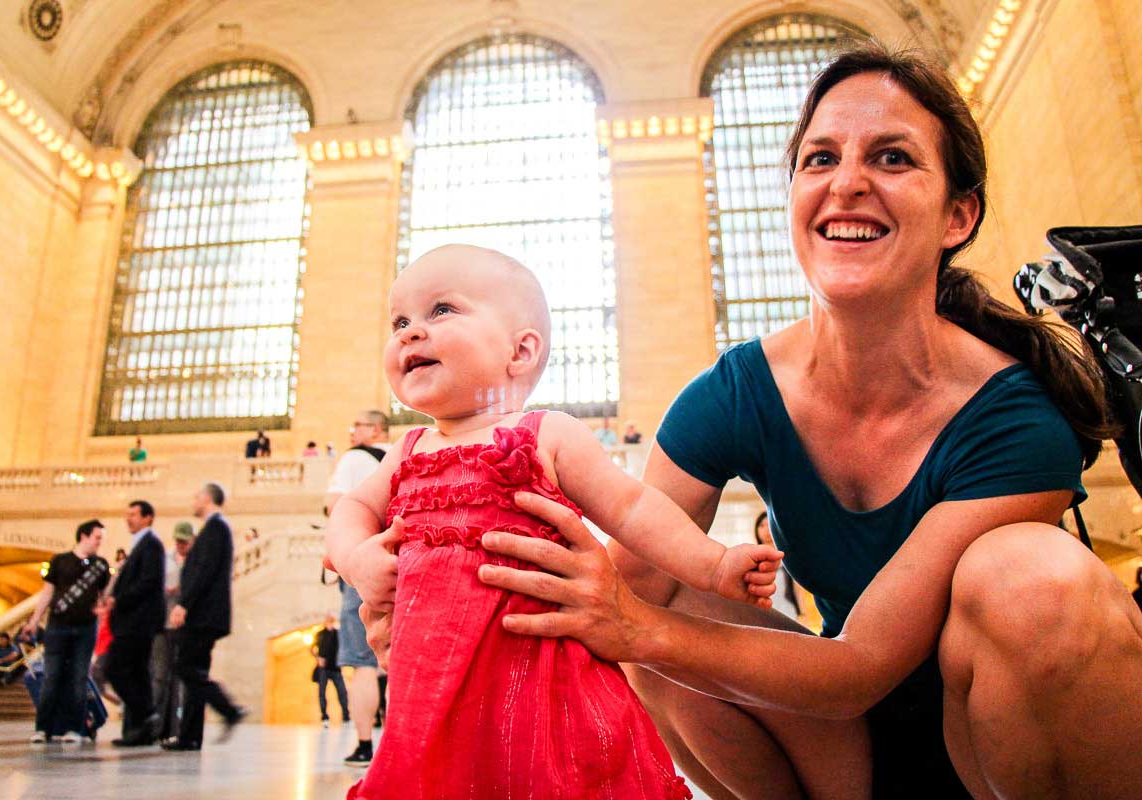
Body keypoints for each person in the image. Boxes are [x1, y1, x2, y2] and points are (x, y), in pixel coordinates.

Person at [464, 45, 1142, 800]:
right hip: (836, 750)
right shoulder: (732, 392)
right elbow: (609, 597)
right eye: (820, 159)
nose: (848, 184)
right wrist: (448, 612)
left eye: (891, 158)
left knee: (1033, 578)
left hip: (986, 739)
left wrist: (635, 628)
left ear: (959, 215)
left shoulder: (1015, 415)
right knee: (648, 592)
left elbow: (860, 666)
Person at [328, 244, 787, 799]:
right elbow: (351, 509)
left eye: (441, 311)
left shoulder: (548, 434)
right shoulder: (407, 449)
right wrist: (357, 557)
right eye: (399, 321)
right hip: (432, 689)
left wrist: (713, 564)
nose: (409, 332)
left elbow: (633, 510)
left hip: (547, 679)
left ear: (520, 351)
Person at [324, 409, 393, 766]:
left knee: (363, 661)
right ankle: (402, 745)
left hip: (363, 562)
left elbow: (336, 507)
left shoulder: (353, 459)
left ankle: (365, 744)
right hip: (402, 561)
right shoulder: (401, 453)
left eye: (359, 426)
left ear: (376, 428)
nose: (352, 432)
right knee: (401, 658)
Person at [163, 482, 246, 751]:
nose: (193, 500)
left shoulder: (216, 528)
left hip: (203, 614)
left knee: (186, 667)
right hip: (204, 613)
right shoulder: (213, 529)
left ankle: (229, 709)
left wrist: (183, 604)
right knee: (194, 670)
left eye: (197, 496)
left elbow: (205, 570)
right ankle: (190, 736)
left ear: (208, 499)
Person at [23, 519, 110, 744]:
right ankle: (43, 728)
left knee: (79, 678)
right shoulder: (60, 561)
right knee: (52, 677)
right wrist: (34, 621)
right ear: (84, 536)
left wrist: (102, 608)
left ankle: (75, 728)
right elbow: (47, 593)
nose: (100, 542)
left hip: (85, 629)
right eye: (97, 537)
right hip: (57, 627)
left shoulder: (100, 566)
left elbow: (103, 597)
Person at [105, 500, 166, 747]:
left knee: (114, 669)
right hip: (134, 621)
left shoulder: (151, 545)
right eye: (127, 514)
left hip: (138, 622)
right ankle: (141, 731)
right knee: (138, 674)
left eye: (134, 514)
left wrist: (117, 600)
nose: (128, 518)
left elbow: (149, 582)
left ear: (148, 518)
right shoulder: (141, 544)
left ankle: (147, 713)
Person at [153, 521, 194, 742]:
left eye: (184, 541)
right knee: (162, 677)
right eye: (178, 540)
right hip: (165, 624)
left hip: (185, 626)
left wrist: (182, 590)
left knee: (181, 679)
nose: (180, 545)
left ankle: (178, 728)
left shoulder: (197, 562)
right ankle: (161, 727)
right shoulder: (166, 559)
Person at [755, 511, 800, 620]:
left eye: (769, 524)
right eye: (762, 525)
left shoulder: (787, 555)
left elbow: (797, 590)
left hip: (788, 613)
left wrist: (802, 614)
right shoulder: (752, 557)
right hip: (763, 615)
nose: (766, 530)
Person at [312, 613, 349, 728]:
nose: (329, 620)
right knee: (322, 693)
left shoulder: (338, 634)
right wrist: (318, 659)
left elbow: (344, 648)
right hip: (323, 668)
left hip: (336, 668)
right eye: (327, 618)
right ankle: (324, 717)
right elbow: (312, 648)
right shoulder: (320, 634)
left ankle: (346, 717)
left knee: (342, 692)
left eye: (331, 618)